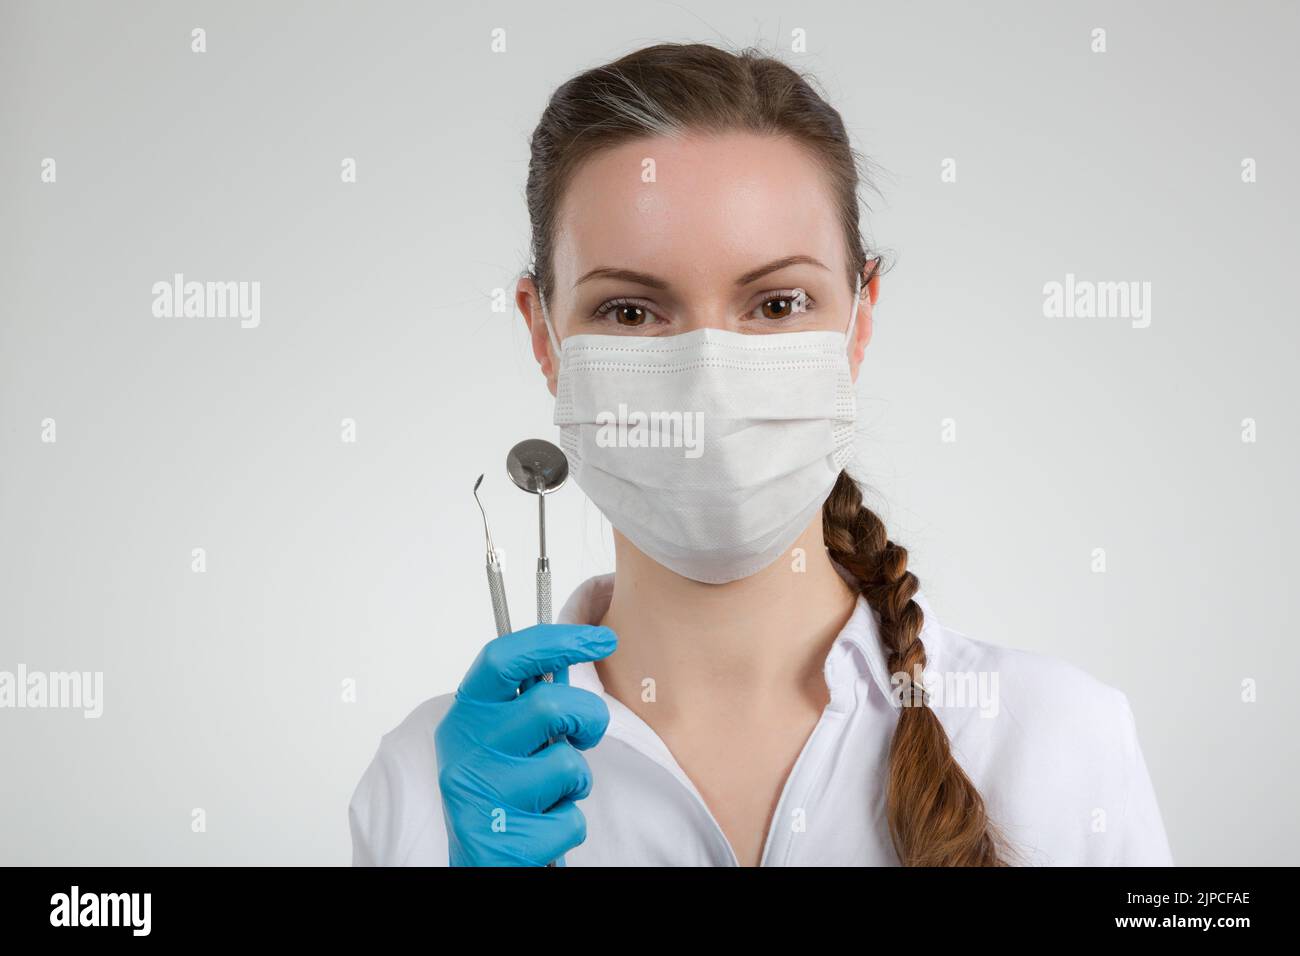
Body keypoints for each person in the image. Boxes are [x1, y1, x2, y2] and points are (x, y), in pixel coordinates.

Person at [348, 42, 1174, 867]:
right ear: (545, 335)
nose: (709, 381)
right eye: (632, 313)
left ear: (860, 317)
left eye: (777, 303)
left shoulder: (1057, 741)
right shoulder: (433, 787)